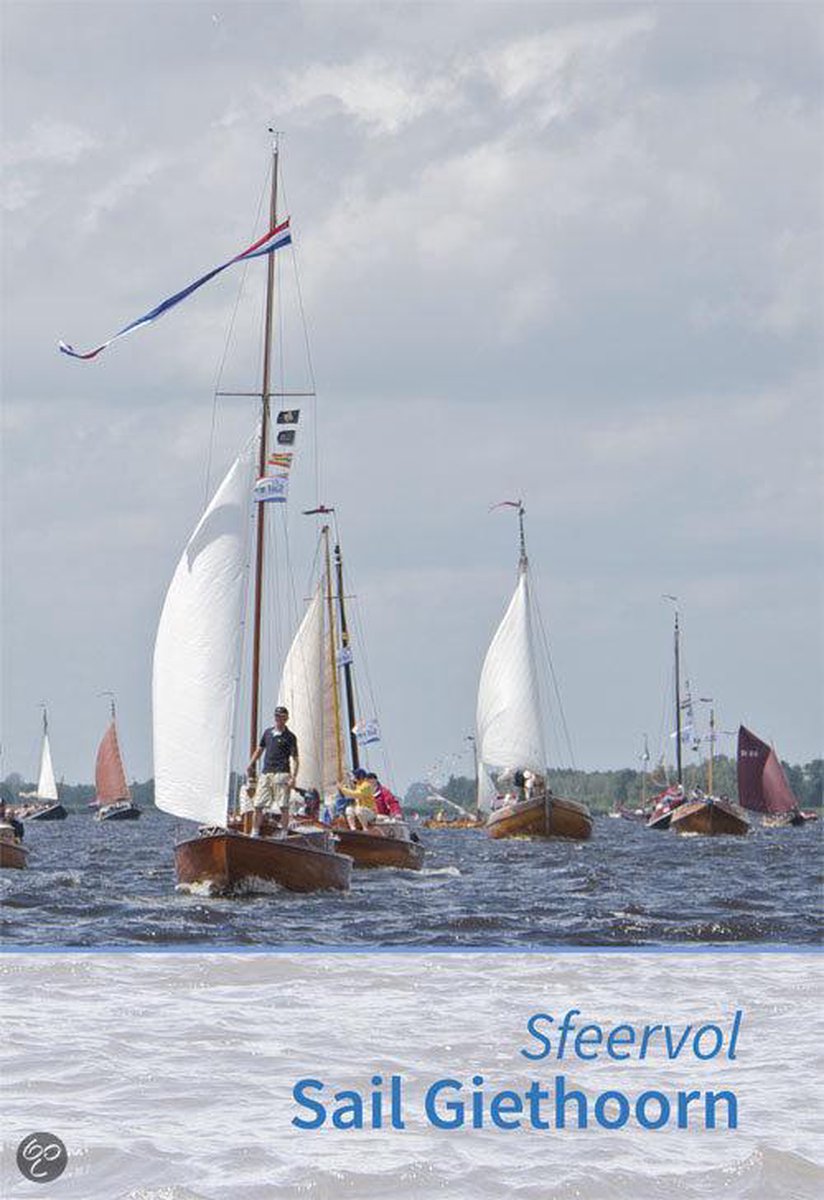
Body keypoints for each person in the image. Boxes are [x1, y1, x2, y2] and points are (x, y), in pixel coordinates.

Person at [246, 705, 299, 835]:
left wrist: (293, 777)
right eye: (276, 716)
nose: (278, 719)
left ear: (286, 718)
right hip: (266, 772)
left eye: (281, 716)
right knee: (258, 804)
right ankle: (255, 832)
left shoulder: (290, 737)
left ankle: (284, 832)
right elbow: (260, 749)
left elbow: (296, 759)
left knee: (283, 806)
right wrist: (251, 764)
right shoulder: (267, 733)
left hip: (282, 773)